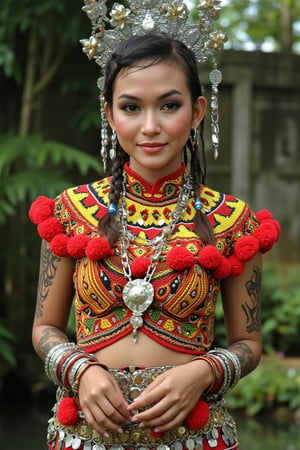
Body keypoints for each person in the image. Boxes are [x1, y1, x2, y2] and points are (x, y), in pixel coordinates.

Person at [29, 2, 280, 450]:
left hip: (195, 437)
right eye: (131, 107)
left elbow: (249, 342)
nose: (150, 127)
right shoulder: (71, 212)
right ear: (109, 114)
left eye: (169, 105)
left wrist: (203, 372)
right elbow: (45, 328)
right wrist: (78, 370)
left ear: (198, 111)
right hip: (84, 437)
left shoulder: (233, 222)